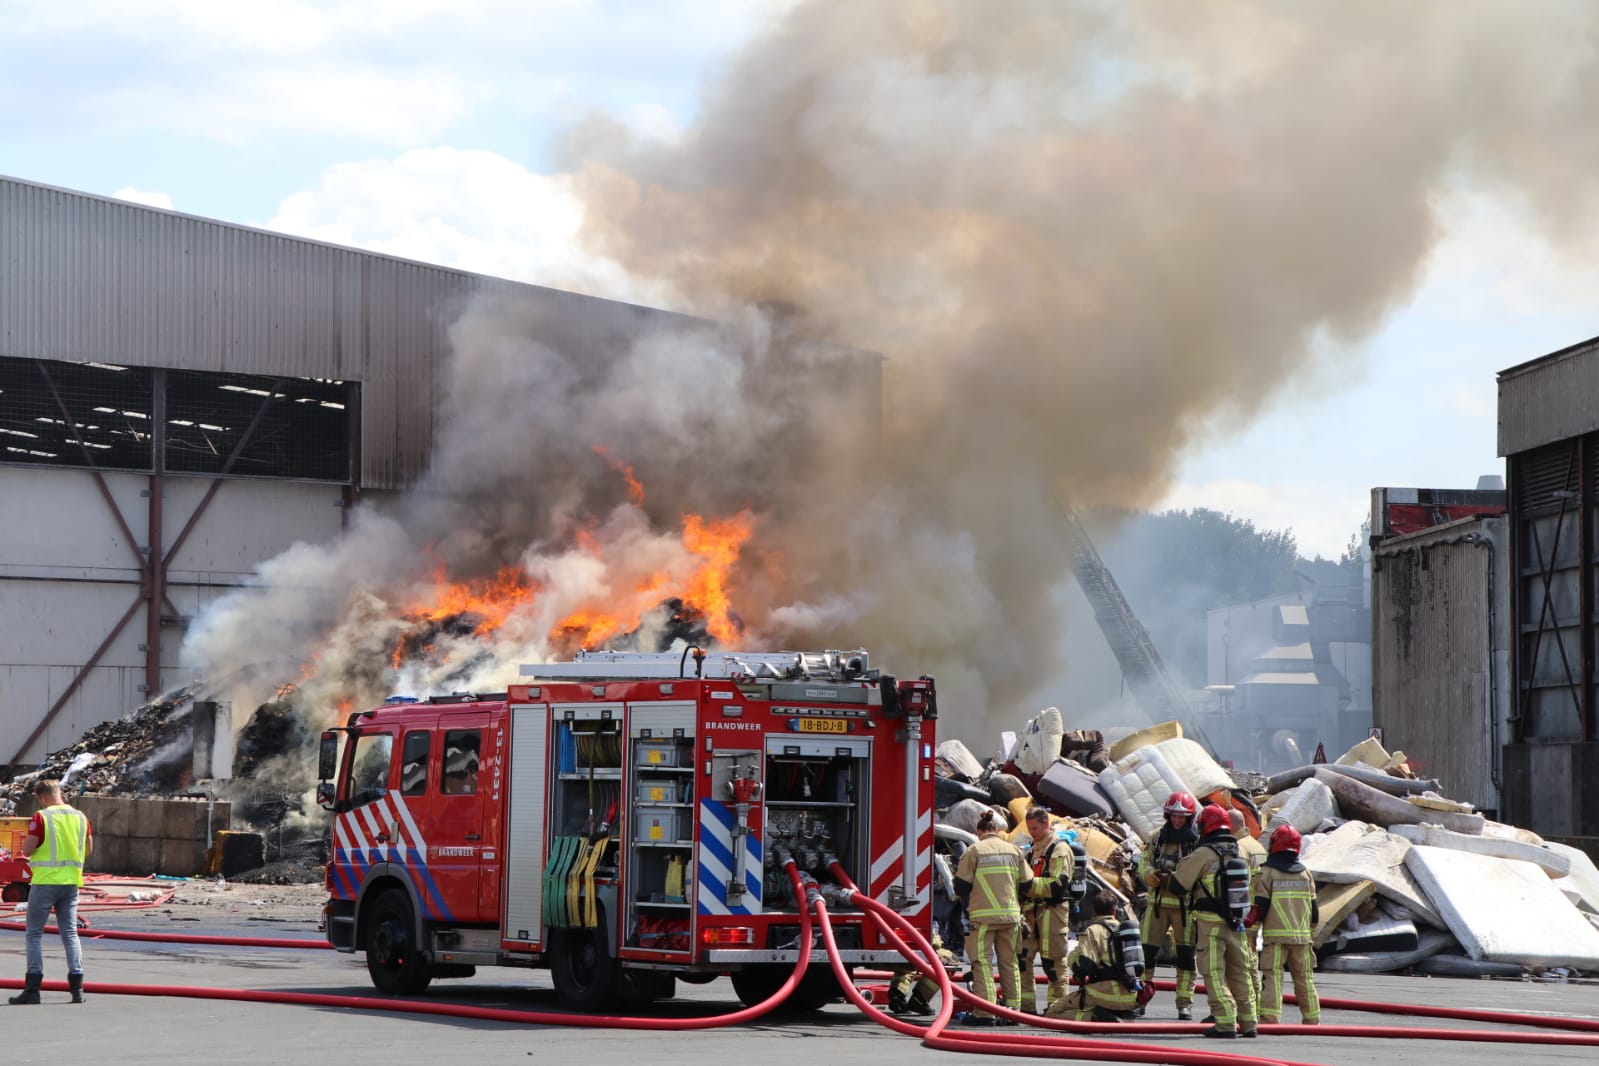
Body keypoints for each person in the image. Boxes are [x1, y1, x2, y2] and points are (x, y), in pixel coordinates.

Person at [1174, 803, 1258, 1039]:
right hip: (1236, 923)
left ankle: (1225, 1022)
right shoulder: (1239, 851)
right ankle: (1249, 1022)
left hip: (1210, 924)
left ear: (1204, 826)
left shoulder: (1203, 854)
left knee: (1213, 972)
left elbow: (1178, 885)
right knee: (1240, 972)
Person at [9, 779, 93, 1006]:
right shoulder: (80, 817)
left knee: (34, 933)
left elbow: (27, 849)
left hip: (46, 882)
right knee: (70, 933)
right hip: (71, 883)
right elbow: (89, 848)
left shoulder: (42, 817)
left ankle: (32, 988)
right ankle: (77, 989)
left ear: (43, 796)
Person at [952, 808, 1033, 1026]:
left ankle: (985, 1013)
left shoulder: (974, 851)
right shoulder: (1014, 851)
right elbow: (1028, 884)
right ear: (996, 830)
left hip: (983, 918)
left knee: (983, 963)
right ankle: (1013, 1011)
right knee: (1009, 962)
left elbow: (960, 887)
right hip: (1011, 918)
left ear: (979, 832)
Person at [1137, 790, 1199, 1019]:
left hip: (1185, 908)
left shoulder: (1196, 841)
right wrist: (1149, 874)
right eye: (1173, 815)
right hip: (1157, 905)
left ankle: (1185, 1003)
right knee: (1146, 954)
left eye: (1182, 816)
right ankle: (1140, 1000)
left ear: (1189, 817)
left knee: (1185, 956)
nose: (1177, 820)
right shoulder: (1157, 837)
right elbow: (1144, 861)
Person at [1251, 824, 1321, 1026]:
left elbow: (1260, 907)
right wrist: (1309, 932)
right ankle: (1312, 1018)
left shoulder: (1267, 873)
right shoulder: (1305, 874)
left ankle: (1270, 1017)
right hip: (1302, 939)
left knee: (1272, 977)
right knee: (1304, 978)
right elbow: (1314, 911)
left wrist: (1251, 934)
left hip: (1275, 939)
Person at [1050, 890, 1141, 1022]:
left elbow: (1085, 966)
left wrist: (1073, 956)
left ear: (1094, 910)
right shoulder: (1124, 930)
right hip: (1129, 995)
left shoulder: (1092, 931)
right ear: (1114, 911)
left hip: (1103, 994)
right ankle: (1116, 1014)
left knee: (1053, 1012)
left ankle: (1094, 1018)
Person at [1018, 806, 1075, 1013]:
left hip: (1053, 912)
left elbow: (1059, 883)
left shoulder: (1058, 849)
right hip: (1031, 913)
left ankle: (1057, 1008)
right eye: (1029, 828)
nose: (1032, 832)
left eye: (1035, 828)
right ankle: (1026, 1007)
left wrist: (1030, 885)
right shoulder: (1034, 849)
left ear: (1046, 824)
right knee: (1022, 958)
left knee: (1053, 962)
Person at [1230, 808, 1267, 1002]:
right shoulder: (1257, 846)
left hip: (1244, 913)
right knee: (1250, 958)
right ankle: (1255, 1001)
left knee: (1242, 962)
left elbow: (1237, 885)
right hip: (1256, 911)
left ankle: (1248, 1003)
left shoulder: (1238, 849)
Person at [887, 928, 960, 1017]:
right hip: (914, 948)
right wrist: (938, 939)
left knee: (906, 964)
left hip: (891, 948)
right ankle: (919, 999)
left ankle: (897, 995)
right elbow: (933, 942)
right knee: (951, 959)